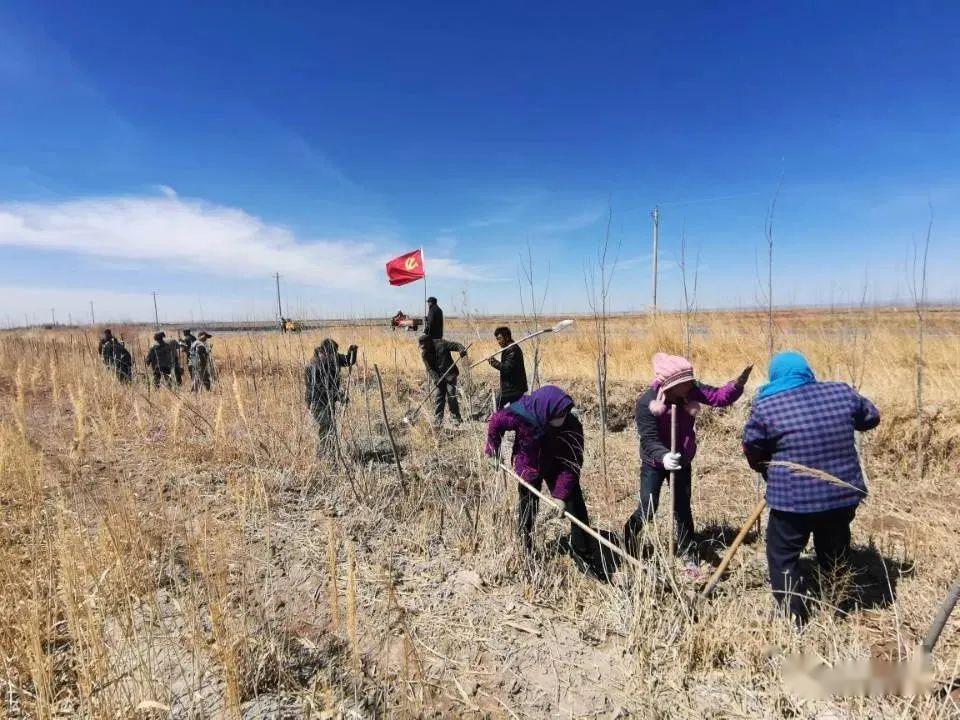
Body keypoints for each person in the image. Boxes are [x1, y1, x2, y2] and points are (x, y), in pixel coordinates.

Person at [742, 351, 880, 625]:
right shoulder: (841, 392)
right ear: (806, 371)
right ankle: (838, 605)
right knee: (835, 548)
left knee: (782, 555)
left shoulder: (767, 406)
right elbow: (871, 417)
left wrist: (762, 465)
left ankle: (793, 616)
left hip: (793, 500)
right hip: (842, 493)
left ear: (776, 376)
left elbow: (752, 446)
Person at [623, 353, 752, 566]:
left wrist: (737, 385)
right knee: (648, 506)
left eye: (690, 380)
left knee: (682, 506)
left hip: (682, 460)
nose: (691, 385)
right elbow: (648, 439)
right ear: (670, 384)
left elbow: (719, 397)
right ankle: (627, 536)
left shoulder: (689, 390)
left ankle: (688, 550)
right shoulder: (648, 402)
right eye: (685, 382)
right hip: (654, 463)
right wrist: (664, 456)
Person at [484, 386, 605, 579]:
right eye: (560, 414)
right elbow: (497, 421)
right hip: (529, 464)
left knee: (576, 506)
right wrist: (492, 450)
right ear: (548, 411)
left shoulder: (571, 426)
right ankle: (526, 548)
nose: (563, 417)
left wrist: (560, 495)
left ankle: (583, 555)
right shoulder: (522, 413)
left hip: (558, 465)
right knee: (527, 508)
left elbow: (572, 463)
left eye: (566, 413)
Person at [304, 339, 358, 447]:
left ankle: (331, 452)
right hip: (318, 402)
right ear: (325, 352)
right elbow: (318, 388)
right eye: (333, 353)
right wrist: (338, 396)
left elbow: (348, 361)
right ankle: (325, 454)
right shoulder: (314, 366)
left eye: (336, 352)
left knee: (331, 427)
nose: (335, 355)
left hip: (329, 401)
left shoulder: (334, 358)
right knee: (326, 427)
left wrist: (352, 351)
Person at [418, 334, 466, 426]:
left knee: (451, 395)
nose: (423, 349)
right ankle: (438, 420)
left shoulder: (441, 344)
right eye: (422, 347)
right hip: (438, 377)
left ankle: (456, 418)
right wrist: (436, 379)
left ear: (429, 342)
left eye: (424, 346)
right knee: (439, 397)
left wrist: (461, 349)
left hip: (450, 375)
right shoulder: (425, 354)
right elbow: (430, 369)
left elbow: (456, 345)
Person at [488, 326, 527, 409]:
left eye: (499, 338)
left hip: (513, 389)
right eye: (497, 339)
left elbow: (507, 368)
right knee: (512, 410)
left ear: (507, 337)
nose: (498, 341)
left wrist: (493, 362)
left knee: (498, 407)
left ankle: (499, 421)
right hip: (512, 388)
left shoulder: (512, 349)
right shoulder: (508, 348)